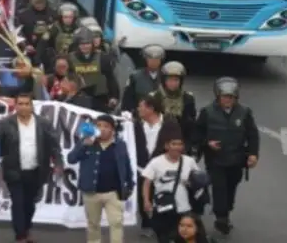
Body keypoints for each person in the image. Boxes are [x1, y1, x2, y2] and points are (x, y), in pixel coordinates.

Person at [192, 77, 259, 236]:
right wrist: (206, 144)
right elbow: (197, 134)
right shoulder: (207, 112)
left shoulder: (244, 113)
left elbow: (252, 135)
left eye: (231, 97)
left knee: (231, 188)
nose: (228, 100)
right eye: (225, 97)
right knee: (219, 187)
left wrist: (253, 154)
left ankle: (226, 212)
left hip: (236, 160)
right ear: (218, 96)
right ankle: (221, 217)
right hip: (216, 160)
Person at [0, 93, 64, 243]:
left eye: (27, 104)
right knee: (18, 203)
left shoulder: (43, 123)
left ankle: (26, 230)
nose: (24, 107)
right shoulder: (5, 124)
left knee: (30, 204)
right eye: (21, 103)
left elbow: (54, 146)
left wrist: (58, 163)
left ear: (32, 106)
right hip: (14, 171)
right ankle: (20, 236)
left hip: (36, 170)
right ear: (16, 105)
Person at [67, 114, 134, 243]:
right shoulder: (86, 141)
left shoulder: (120, 144)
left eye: (106, 126)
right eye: (99, 126)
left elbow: (126, 165)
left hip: (114, 192)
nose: (102, 129)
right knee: (93, 224)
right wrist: (84, 144)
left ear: (112, 130)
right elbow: (71, 159)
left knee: (116, 223)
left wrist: (130, 185)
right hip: (91, 192)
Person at [134, 94, 183, 238]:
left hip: (163, 168)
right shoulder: (136, 125)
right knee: (143, 196)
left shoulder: (170, 124)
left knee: (164, 197)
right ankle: (147, 223)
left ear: (151, 109)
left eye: (141, 107)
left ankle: (166, 225)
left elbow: (177, 143)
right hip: (142, 168)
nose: (138, 109)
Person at [142, 126, 200, 242]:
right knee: (164, 238)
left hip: (183, 209)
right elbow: (147, 182)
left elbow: (198, 180)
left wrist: (191, 183)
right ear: (166, 146)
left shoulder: (189, 161)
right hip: (163, 209)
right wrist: (146, 201)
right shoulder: (156, 162)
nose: (178, 147)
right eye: (174, 144)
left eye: (180, 144)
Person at [68, 28, 120, 112]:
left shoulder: (103, 57)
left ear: (92, 44)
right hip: (77, 98)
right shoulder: (70, 58)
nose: (85, 46)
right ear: (77, 45)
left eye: (87, 43)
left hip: (99, 98)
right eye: (82, 44)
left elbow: (110, 78)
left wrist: (114, 96)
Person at [151, 61, 196, 150]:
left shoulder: (188, 98)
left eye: (176, 80)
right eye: (170, 80)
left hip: (181, 143)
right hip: (158, 143)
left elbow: (192, 124)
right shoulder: (155, 97)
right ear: (164, 80)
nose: (173, 83)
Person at [122, 44, 165, 115]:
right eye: (150, 59)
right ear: (146, 60)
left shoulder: (165, 76)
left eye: (157, 59)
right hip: (140, 114)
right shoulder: (135, 76)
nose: (154, 61)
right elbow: (127, 99)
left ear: (161, 60)